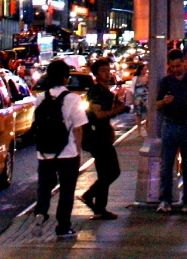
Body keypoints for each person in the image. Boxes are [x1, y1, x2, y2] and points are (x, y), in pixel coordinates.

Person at [31, 59, 87, 239]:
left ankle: (41, 212)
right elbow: (78, 128)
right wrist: (79, 153)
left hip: (44, 152)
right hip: (67, 152)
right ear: (66, 78)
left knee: (44, 187)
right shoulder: (72, 99)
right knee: (66, 190)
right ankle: (63, 226)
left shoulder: (40, 98)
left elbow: (35, 124)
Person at [156, 49, 187, 213]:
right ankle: (165, 200)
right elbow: (156, 104)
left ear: (185, 63)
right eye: (172, 67)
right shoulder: (166, 82)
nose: (175, 69)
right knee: (167, 165)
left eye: (178, 65)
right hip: (170, 125)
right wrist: (164, 101)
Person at [78, 58, 125, 221]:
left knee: (106, 172)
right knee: (111, 172)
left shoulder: (106, 91)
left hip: (103, 134)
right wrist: (118, 110)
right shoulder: (95, 91)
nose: (107, 73)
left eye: (108, 70)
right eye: (103, 70)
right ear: (96, 74)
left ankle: (99, 208)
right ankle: (90, 196)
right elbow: (98, 114)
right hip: (96, 136)